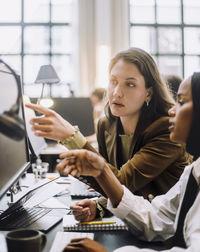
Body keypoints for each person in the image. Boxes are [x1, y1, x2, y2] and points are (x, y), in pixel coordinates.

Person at [26, 48, 191, 221]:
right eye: (113, 81)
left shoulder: (166, 130)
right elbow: (108, 185)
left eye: (130, 84)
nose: (116, 92)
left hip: (168, 227)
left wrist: (72, 137)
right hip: (138, 220)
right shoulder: (107, 125)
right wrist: (99, 206)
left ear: (148, 93)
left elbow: (122, 183)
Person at [58, 72, 200, 252]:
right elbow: (154, 219)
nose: (172, 110)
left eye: (181, 102)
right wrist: (102, 172)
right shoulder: (194, 171)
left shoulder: (161, 133)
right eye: (113, 82)